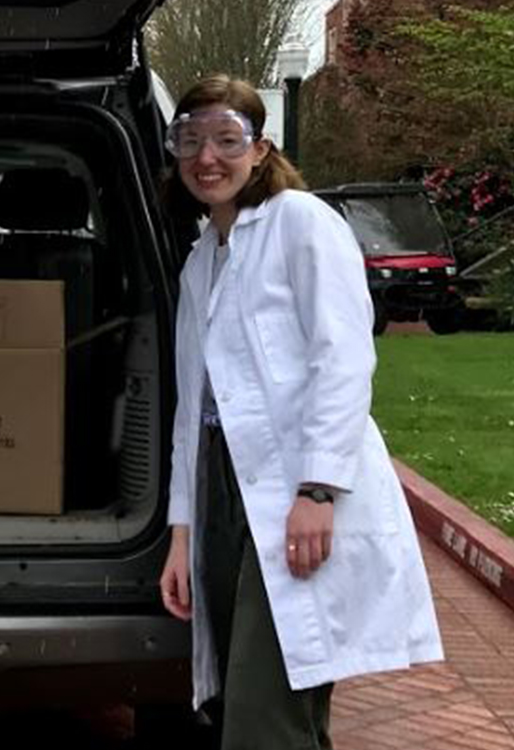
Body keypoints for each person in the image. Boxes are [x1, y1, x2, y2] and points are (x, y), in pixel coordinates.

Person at [157, 75, 442, 749]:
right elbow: (189, 408)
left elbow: (342, 361)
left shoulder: (300, 221)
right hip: (222, 488)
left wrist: (317, 490)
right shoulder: (200, 261)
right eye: (190, 140)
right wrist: (180, 532)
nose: (206, 158)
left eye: (226, 139)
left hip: (295, 483)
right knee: (253, 699)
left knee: (264, 715)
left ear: (259, 150)